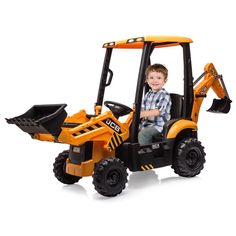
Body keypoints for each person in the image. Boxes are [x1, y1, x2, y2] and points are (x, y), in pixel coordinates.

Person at [138, 63, 172, 145]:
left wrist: (142, 114)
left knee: (144, 134)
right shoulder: (147, 94)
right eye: (151, 78)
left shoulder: (164, 95)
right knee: (127, 129)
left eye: (159, 78)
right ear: (147, 80)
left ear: (165, 81)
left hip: (159, 126)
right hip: (146, 124)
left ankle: (146, 156)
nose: (154, 81)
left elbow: (158, 111)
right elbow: (142, 108)